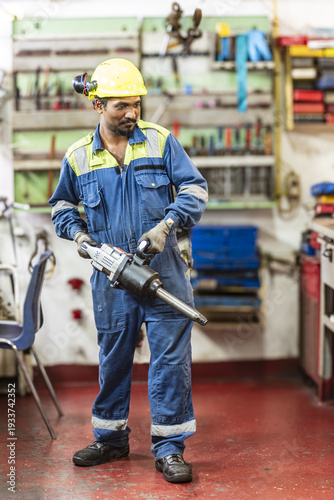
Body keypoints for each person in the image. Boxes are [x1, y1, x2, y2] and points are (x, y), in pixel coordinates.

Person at [49, 58, 208, 484]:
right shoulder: (79, 156)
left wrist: (167, 225)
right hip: (111, 275)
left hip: (166, 271)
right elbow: (62, 206)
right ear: (97, 104)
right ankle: (111, 438)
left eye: (136, 104)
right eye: (122, 105)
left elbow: (195, 188)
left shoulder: (160, 142)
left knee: (170, 362)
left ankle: (170, 448)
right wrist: (81, 239)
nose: (132, 113)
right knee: (114, 358)